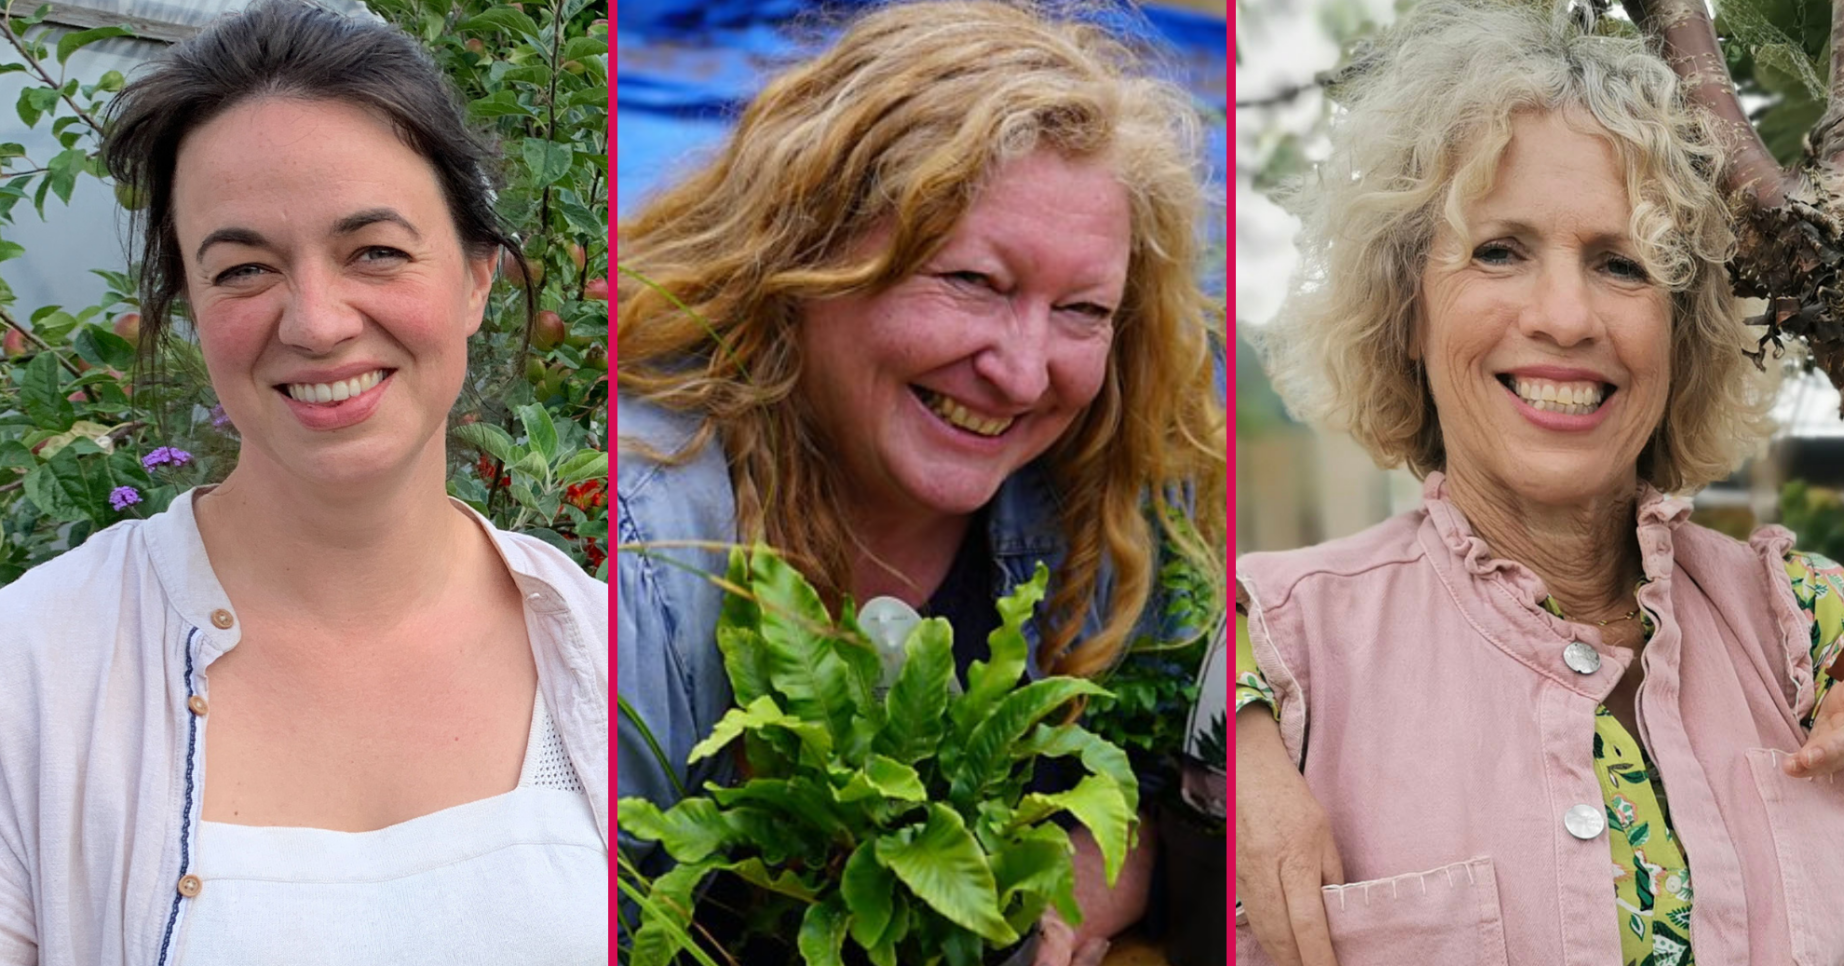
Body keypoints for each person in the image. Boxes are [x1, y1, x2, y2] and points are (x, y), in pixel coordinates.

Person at [1234, 2, 1844, 964]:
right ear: (1406, 313)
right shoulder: (1270, 653)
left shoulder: (1808, 629)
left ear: (1682, 338)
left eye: (1621, 263)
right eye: (1499, 250)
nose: (1565, 316)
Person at [615, 1, 1225, 962]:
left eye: (1082, 310)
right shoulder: (643, 534)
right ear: (805, 252)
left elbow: (1171, 789)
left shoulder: (1113, 480)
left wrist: (1061, 895)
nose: (1024, 376)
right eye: (972, 281)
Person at [0, 3, 608, 964]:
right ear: (192, 310)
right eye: (245, 268)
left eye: (375, 251)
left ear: (478, 277)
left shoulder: (616, 662)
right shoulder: (30, 673)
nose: (317, 323)